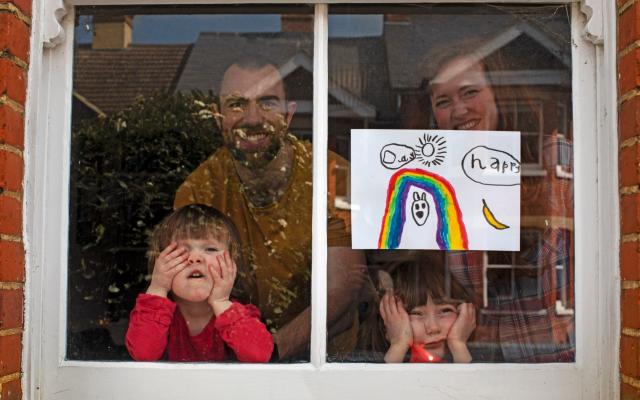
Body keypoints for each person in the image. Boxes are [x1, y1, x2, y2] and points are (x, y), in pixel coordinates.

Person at [174, 56, 366, 361]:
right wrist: (248, 351)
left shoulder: (336, 174)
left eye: (267, 102)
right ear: (218, 117)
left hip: (328, 362)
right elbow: (194, 295)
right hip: (234, 357)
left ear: (288, 116)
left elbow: (344, 285)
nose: (252, 118)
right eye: (237, 104)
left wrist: (272, 351)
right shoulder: (198, 190)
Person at [422, 40, 575, 362]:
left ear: (498, 95)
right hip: (484, 370)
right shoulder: (435, 189)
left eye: (469, 92)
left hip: (564, 367)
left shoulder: (555, 162)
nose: (459, 110)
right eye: (443, 101)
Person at [125, 204, 273, 362]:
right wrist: (158, 287)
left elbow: (259, 355)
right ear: (160, 265)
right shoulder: (157, 314)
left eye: (210, 249)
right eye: (181, 250)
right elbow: (143, 353)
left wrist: (220, 302)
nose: (195, 257)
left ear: (232, 264)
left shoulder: (239, 315)